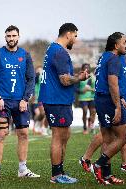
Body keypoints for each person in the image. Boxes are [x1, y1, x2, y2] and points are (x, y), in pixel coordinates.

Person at [0, 25, 39, 180]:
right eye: (8, 36)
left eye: (14, 36)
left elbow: (31, 79)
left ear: (18, 37)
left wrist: (25, 98)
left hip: (20, 102)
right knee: (2, 134)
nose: (11, 39)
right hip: (3, 103)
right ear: (5, 37)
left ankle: (22, 169)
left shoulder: (25, 55)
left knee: (23, 134)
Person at [38, 23, 88, 184]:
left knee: (64, 136)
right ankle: (56, 175)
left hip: (58, 100)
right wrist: (79, 78)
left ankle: (60, 171)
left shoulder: (52, 49)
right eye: (75, 35)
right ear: (68, 34)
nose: (76, 39)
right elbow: (65, 80)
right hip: (56, 100)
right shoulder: (59, 52)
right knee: (58, 137)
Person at [90, 32, 126, 185]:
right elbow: (113, 83)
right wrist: (118, 107)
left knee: (107, 139)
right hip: (108, 100)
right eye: (124, 42)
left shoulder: (103, 57)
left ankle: (106, 176)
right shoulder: (114, 58)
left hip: (100, 99)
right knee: (123, 137)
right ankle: (98, 164)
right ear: (116, 45)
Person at [77, 64, 96, 134]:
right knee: (85, 111)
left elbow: (95, 87)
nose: (86, 69)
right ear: (82, 69)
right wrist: (81, 91)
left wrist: (91, 89)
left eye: (87, 68)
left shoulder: (92, 76)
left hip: (92, 97)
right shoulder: (79, 76)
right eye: (84, 68)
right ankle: (85, 128)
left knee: (93, 112)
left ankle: (90, 124)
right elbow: (75, 88)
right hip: (83, 97)